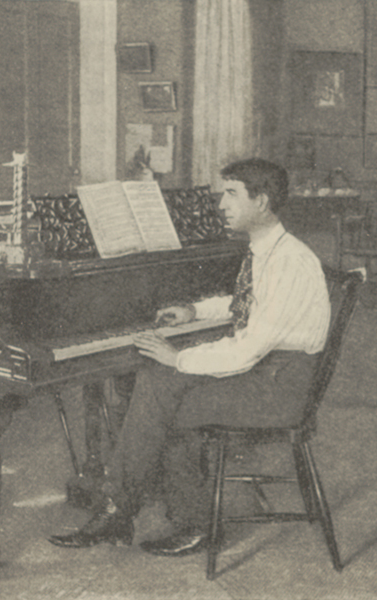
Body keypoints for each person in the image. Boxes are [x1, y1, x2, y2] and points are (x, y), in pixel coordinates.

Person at [48, 158, 330, 556]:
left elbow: (247, 349)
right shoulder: (270, 250)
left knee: (162, 393)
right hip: (269, 373)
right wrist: (196, 312)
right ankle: (167, 516)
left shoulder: (290, 262)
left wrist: (177, 357)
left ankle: (133, 512)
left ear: (262, 201)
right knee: (160, 390)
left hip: (280, 388)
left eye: (232, 194)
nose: (221, 205)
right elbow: (247, 304)